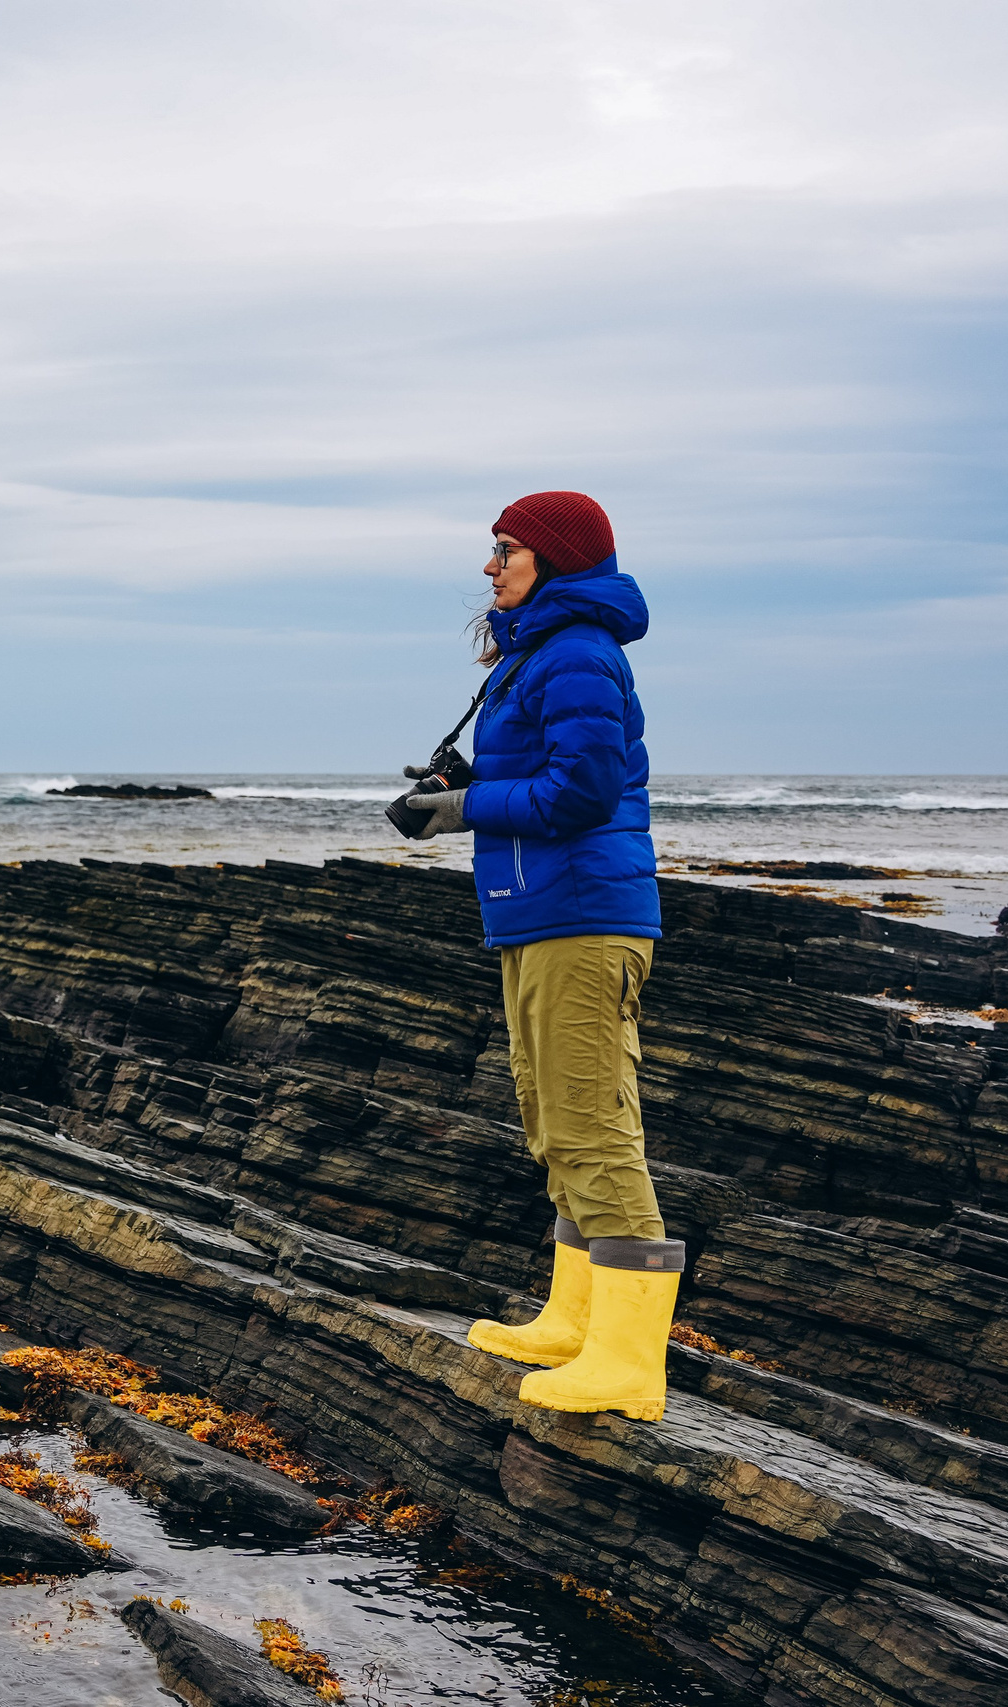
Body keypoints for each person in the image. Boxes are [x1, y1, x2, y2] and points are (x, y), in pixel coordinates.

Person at [397, 490, 683, 1422]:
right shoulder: (542, 654)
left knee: (594, 1127)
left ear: (553, 559)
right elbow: (548, 778)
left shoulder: (577, 654)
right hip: (539, 914)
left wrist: (463, 809)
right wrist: (466, 784)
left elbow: (585, 791)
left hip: (584, 918)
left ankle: (631, 1365)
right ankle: (575, 1320)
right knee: (554, 1118)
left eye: (506, 549)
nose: (490, 566)